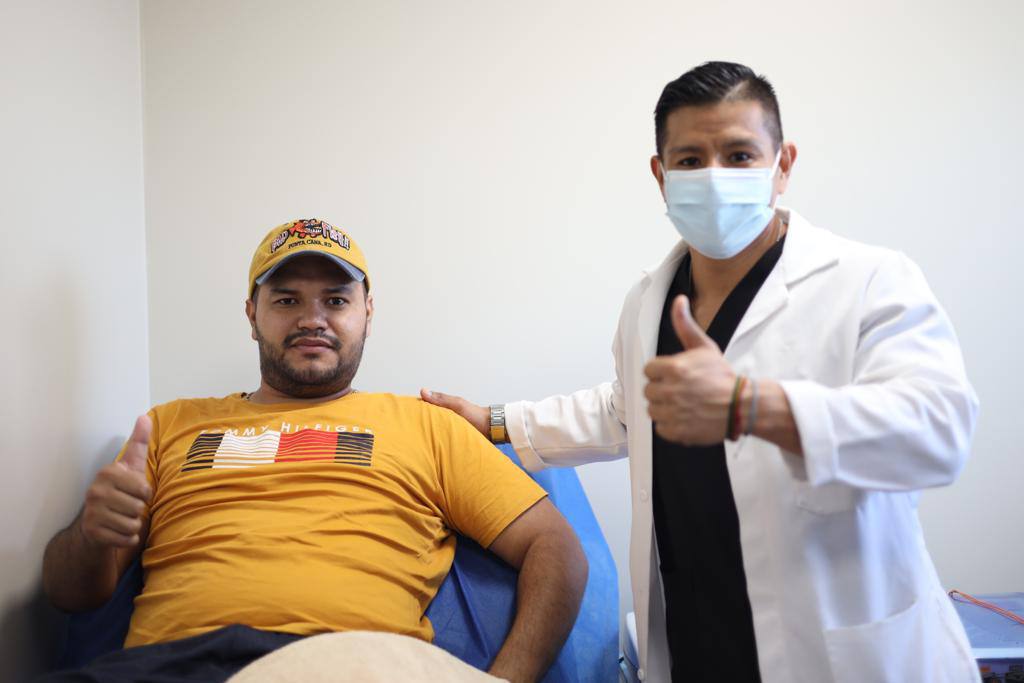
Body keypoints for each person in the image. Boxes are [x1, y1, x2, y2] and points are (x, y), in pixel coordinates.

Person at [423, 62, 980, 682]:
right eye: (690, 160)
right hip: (696, 645)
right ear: (660, 176)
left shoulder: (868, 281)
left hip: (839, 655)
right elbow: (628, 411)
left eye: (739, 156)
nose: (715, 177)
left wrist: (750, 406)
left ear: (783, 164)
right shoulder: (648, 301)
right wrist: (494, 421)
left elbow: (940, 429)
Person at [41, 218, 587, 683]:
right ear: (251, 315)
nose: (312, 319)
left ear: (367, 312)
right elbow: (71, 594)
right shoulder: (166, 426)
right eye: (287, 300)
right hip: (168, 666)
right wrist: (92, 534)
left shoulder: (428, 426)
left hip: (350, 665)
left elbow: (555, 547)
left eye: (336, 300)